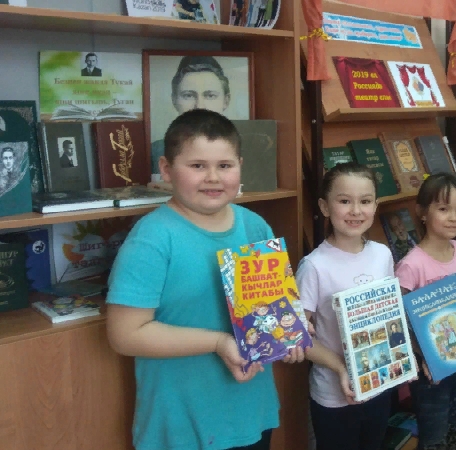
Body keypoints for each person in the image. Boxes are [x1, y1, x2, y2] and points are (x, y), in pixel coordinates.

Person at [105, 109, 305, 450]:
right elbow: (125, 335)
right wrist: (218, 343)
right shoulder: (151, 239)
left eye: (225, 165)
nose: (213, 177)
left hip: (250, 413)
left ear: (240, 165)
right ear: (166, 169)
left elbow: (269, 310)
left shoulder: (255, 226)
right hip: (182, 426)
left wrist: (291, 330)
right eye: (197, 165)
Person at [296, 162, 396, 450]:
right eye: (344, 201)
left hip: (379, 383)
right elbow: (297, 336)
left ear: (375, 206)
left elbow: (390, 316)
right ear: (324, 207)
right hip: (334, 394)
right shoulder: (314, 266)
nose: (355, 211)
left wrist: (401, 358)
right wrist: (340, 367)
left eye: (365, 201)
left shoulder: (382, 254)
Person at [394, 173, 456, 450]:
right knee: (433, 437)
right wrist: (424, 355)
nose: (454, 218)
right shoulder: (410, 266)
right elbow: (401, 324)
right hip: (430, 370)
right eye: (444, 208)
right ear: (422, 212)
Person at [151, 55, 232, 174]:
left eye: (210, 95)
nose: (199, 106)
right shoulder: (155, 152)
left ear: (226, 101)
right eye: (188, 95)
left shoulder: (246, 148)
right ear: (174, 100)